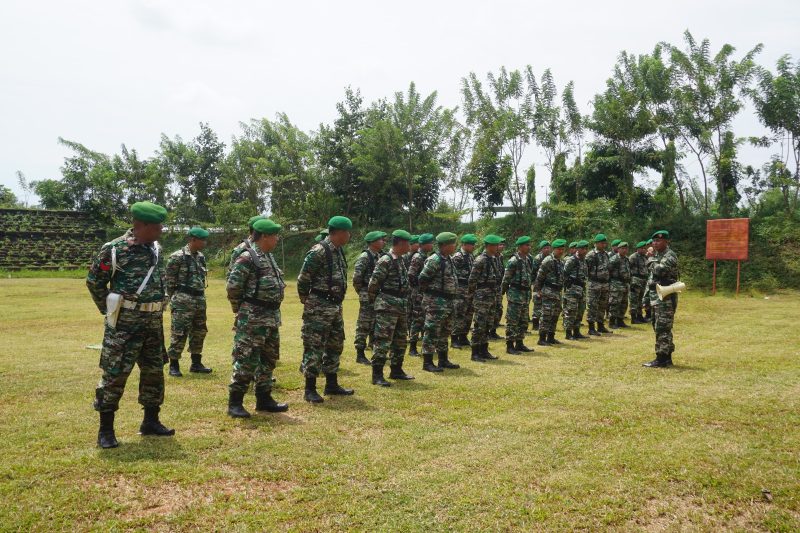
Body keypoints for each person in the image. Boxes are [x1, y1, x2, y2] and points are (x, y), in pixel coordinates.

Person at [86, 201, 174, 449]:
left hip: (153, 324)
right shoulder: (114, 250)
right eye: (156, 226)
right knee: (115, 375)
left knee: (154, 373)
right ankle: (106, 429)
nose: (160, 231)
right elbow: (94, 282)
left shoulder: (156, 249)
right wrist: (111, 310)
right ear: (140, 225)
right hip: (124, 327)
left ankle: (151, 421)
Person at [226, 218, 288, 417]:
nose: (277, 239)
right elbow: (233, 287)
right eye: (275, 236)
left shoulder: (268, 256)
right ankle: (235, 402)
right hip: (253, 317)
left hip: (271, 316)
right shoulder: (247, 257)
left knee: (268, 359)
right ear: (265, 236)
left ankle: (264, 398)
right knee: (247, 358)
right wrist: (242, 311)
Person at [297, 216, 356, 403]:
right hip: (319, 306)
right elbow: (303, 278)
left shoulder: (338, 251)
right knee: (314, 346)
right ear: (338, 232)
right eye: (347, 232)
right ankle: (310, 388)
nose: (349, 235)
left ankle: (331, 383)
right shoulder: (319, 251)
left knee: (335, 344)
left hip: (335, 306)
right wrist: (307, 300)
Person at [367, 229, 415, 386]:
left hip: (400, 305)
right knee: (383, 340)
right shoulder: (385, 260)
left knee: (400, 340)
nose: (410, 247)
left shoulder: (400, 259)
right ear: (401, 244)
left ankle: (396, 369)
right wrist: (378, 303)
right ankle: (377, 374)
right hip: (387, 305)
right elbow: (373, 285)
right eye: (408, 243)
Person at [166, 226, 211, 377]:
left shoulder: (201, 257)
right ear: (193, 240)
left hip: (199, 299)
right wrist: (175, 299)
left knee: (199, 331)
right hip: (182, 300)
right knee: (179, 332)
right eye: (202, 240)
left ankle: (196, 363)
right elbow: (169, 282)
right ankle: (174, 364)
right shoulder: (177, 256)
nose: (204, 243)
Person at [418, 232, 460, 372]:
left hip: (448, 301)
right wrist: (432, 295)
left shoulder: (448, 259)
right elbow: (422, 279)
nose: (455, 246)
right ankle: (428, 362)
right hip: (436, 302)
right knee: (432, 331)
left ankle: (443, 360)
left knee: (444, 331)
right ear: (444, 245)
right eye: (452, 244)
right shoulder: (434, 260)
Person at [643, 230, 680, 368]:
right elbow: (652, 278)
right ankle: (666, 357)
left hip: (665, 296)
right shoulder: (658, 255)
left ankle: (661, 358)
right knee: (658, 326)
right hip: (656, 296)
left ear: (667, 241)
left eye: (658, 241)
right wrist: (646, 297)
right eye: (654, 241)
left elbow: (660, 271)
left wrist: (650, 259)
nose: (655, 243)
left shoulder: (669, 256)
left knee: (663, 328)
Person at [353, 231, 387, 365]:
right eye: (381, 240)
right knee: (364, 323)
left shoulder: (379, 256)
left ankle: (373, 347)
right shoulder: (365, 257)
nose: (384, 242)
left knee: (375, 322)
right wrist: (363, 292)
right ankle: (360, 353)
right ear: (373, 242)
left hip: (378, 294)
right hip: (366, 294)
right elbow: (357, 278)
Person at [467, 235, 503, 362]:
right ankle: (475, 352)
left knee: (488, 323)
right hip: (482, 296)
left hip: (491, 295)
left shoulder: (493, 259)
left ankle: (484, 349)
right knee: (480, 324)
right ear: (489, 246)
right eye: (496, 245)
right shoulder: (480, 260)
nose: (498, 247)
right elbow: (472, 280)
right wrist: (473, 295)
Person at [501, 236, 534, 354]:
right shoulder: (513, 261)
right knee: (512, 320)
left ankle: (520, 343)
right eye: (526, 245)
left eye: (529, 245)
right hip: (515, 294)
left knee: (523, 321)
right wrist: (502, 292)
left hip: (525, 294)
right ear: (520, 247)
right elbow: (506, 279)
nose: (529, 247)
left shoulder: (528, 259)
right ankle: (510, 345)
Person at [534, 239, 566, 346]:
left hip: (557, 292)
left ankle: (551, 337)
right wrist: (538, 291)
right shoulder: (548, 260)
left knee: (555, 314)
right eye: (559, 249)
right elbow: (540, 277)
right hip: (548, 291)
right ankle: (542, 338)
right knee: (546, 314)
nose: (561, 251)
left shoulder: (561, 262)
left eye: (562, 249)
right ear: (554, 249)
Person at [407, 233, 434, 356]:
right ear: (423, 245)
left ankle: (424, 345)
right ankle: (412, 347)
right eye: (430, 243)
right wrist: (419, 287)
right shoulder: (418, 257)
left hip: (423, 292)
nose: (432, 245)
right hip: (418, 292)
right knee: (417, 319)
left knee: (423, 319)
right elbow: (411, 274)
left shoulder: (424, 256)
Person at [450, 234, 477, 348]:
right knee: (459, 313)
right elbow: (452, 273)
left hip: (470, 289)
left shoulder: (470, 256)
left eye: (473, 245)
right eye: (471, 245)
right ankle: (454, 338)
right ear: (464, 245)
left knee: (468, 313)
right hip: (460, 289)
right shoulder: (458, 256)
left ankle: (463, 336)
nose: (473, 247)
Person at [585, 234, 612, 335]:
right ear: (596, 243)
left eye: (604, 243)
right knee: (592, 305)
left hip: (605, 283)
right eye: (601, 243)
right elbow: (585, 268)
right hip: (594, 283)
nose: (603, 245)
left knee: (602, 305)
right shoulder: (591, 255)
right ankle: (591, 328)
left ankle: (600, 325)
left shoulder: (606, 254)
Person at [562, 240, 589, 340]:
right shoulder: (571, 260)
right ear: (577, 249)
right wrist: (568, 286)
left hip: (581, 288)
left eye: (586, 249)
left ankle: (576, 331)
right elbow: (564, 274)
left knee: (580, 310)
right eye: (582, 249)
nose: (585, 251)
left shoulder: (584, 260)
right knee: (570, 311)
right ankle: (568, 333)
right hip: (572, 289)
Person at [608, 241, 631, 328]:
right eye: (622, 248)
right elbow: (608, 270)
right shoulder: (614, 259)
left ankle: (620, 320)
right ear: (618, 249)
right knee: (614, 303)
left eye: (626, 248)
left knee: (624, 303)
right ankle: (612, 322)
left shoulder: (626, 259)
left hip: (625, 284)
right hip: (616, 284)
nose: (624, 250)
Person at [530, 240, 551, 330]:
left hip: (548, 284)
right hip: (538, 283)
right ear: (541, 249)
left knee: (547, 304)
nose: (547, 249)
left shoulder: (551, 258)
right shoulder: (537, 258)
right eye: (545, 248)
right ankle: (535, 324)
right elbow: (533, 272)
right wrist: (536, 285)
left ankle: (545, 323)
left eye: (548, 248)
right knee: (537, 303)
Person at [628, 241, 649, 324]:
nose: (644, 250)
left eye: (645, 248)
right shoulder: (633, 257)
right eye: (642, 248)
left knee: (640, 299)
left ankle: (640, 316)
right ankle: (633, 318)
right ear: (638, 249)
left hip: (643, 280)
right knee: (634, 299)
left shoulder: (644, 257)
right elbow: (628, 268)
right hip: (635, 280)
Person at [490, 238, 506, 340]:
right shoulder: (488, 257)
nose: (501, 247)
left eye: (502, 245)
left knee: (498, 309)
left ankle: (493, 331)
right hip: (489, 288)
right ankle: (487, 332)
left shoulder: (500, 257)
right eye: (499, 245)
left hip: (498, 287)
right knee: (489, 311)